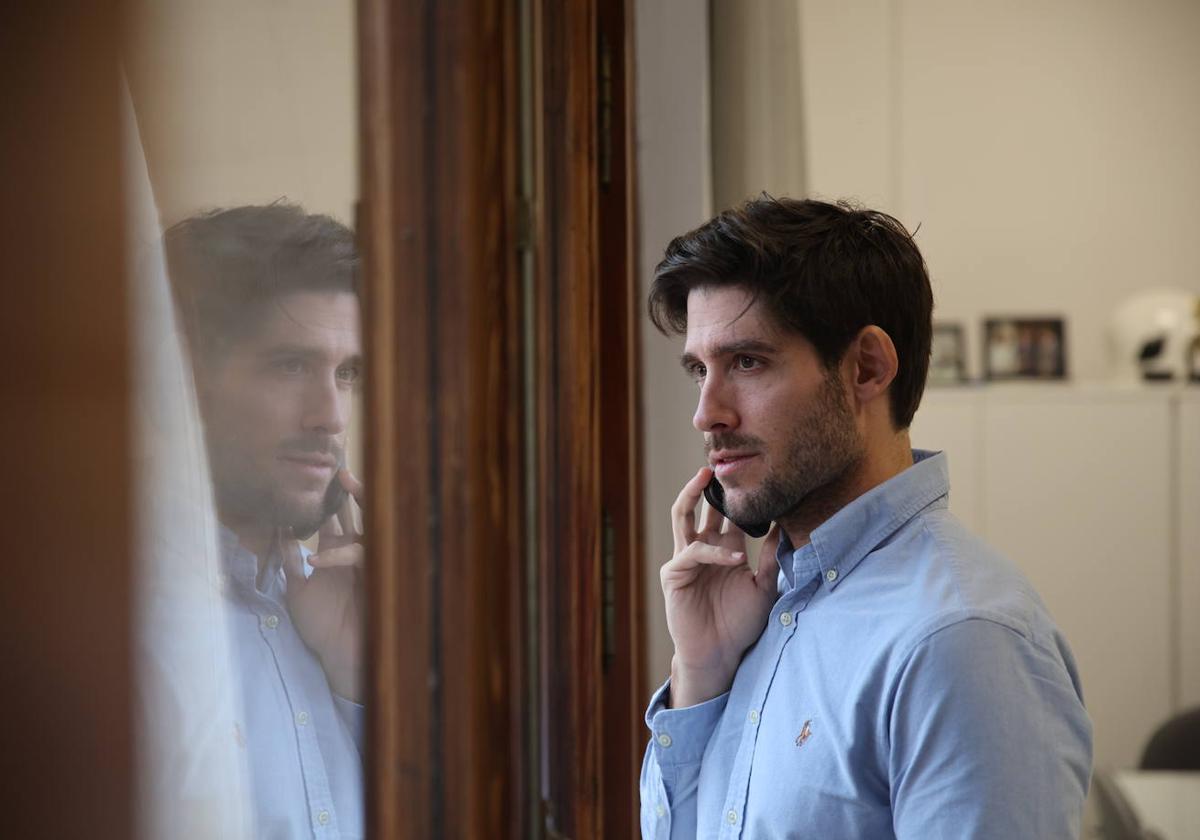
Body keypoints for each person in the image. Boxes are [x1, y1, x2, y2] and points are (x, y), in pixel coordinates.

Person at [639, 197, 1092, 839]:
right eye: (699, 370)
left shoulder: (961, 641)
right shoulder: (763, 612)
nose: (707, 412)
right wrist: (701, 672)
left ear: (867, 368)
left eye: (747, 362)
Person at [164, 203, 365, 839]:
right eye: (290, 366)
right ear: (187, 379)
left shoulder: (337, 617)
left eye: (346, 373)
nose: (329, 415)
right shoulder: (104, 627)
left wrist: (355, 679)